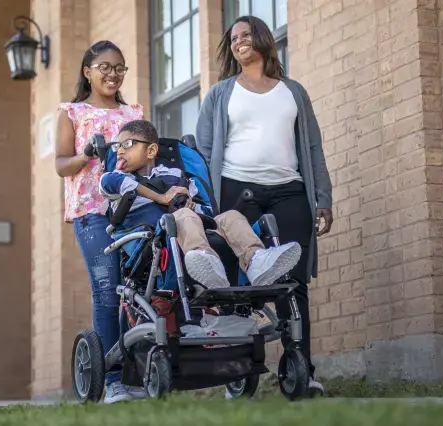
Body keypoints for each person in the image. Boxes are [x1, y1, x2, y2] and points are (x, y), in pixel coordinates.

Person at [195, 15, 334, 394]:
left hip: (290, 191)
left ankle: (301, 368)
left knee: (293, 282)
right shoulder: (221, 93)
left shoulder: (293, 91)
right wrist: (207, 204)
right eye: (233, 37)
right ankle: (237, 371)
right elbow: (205, 151)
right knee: (236, 285)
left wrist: (322, 198)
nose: (239, 41)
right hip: (237, 192)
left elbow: (312, 149)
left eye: (245, 34)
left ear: (262, 39)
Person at [100, 120, 303, 291]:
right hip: (155, 238)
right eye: (118, 146)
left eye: (127, 144)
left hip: (193, 224)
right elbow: (122, 184)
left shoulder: (178, 176)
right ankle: (206, 262)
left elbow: (206, 212)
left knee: (231, 216)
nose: (119, 151)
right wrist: (162, 198)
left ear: (151, 150)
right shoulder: (114, 178)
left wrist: (191, 204)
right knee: (182, 216)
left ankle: (256, 260)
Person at [54, 40, 145, 404]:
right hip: (92, 213)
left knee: (135, 294)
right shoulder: (72, 112)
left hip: (134, 211)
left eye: (120, 68)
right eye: (105, 67)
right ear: (88, 71)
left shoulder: (133, 113)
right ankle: (111, 381)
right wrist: (87, 153)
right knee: (108, 291)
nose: (113, 74)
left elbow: (146, 159)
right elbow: (61, 165)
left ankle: (133, 375)